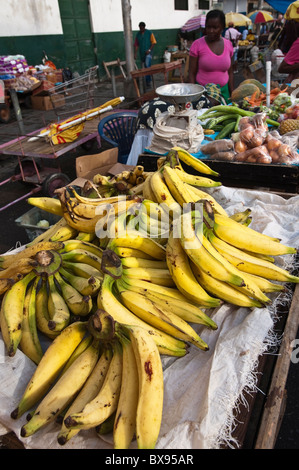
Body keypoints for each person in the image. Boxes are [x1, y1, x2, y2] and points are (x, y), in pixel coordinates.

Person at [188, 9, 234, 102]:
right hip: (203, 94)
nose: (210, 31)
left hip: (224, 93)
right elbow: (191, 73)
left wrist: (232, 94)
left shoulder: (228, 45)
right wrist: (193, 97)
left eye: (215, 27)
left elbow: (230, 73)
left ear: (222, 27)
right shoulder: (197, 45)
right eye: (208, 27)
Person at [134, 22, 157, 87]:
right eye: (140, 28)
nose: (141, 29)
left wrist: (149, 50)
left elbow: (154, 42)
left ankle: (148, 81)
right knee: (144, 67)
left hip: (149, 53)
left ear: (144, 27)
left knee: (147, 64)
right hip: (142, 53)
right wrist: (135, 53)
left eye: (142, 28)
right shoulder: (138, 35)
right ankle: (146, 80)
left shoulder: (149, 33)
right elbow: (136, 45)